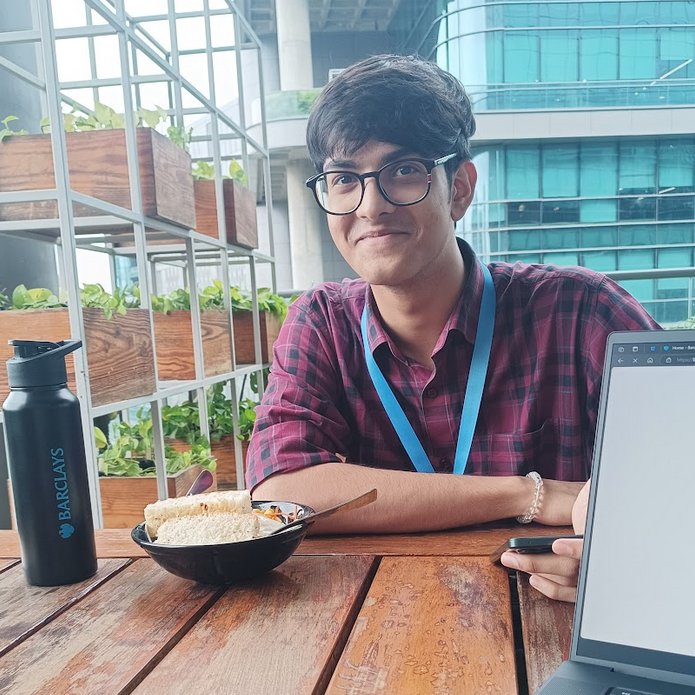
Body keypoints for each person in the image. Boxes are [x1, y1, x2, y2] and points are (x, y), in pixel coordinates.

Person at [245, 54, 659, 535]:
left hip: (550, 586)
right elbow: (280, 492)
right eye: (343, 179)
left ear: (459, 188)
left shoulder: (582, 312)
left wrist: (607, 553)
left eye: (403, 170)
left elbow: (676, 472)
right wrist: (530, 494)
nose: (371, 207)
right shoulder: (323, 324)